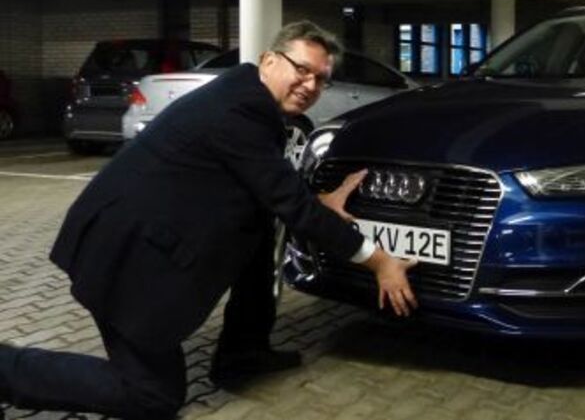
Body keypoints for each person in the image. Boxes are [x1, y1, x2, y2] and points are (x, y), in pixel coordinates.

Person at [0, 21, 417, 420]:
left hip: (131, 233)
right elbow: (292, 205)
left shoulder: (247, 96)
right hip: (124, 256)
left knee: (258, 228)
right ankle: (7, 369)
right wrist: (379, 261)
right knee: (153, 396)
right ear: (269, 60)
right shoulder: (241, 112)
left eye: (321, 79)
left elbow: (272, 188)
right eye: (302, 70)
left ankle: (242, 354)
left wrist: (318, 201)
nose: (310, 85)